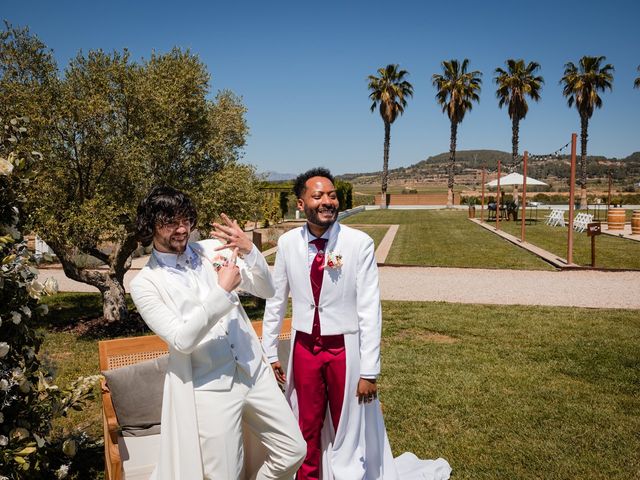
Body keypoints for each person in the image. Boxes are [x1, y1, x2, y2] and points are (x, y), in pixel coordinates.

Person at [261, 168, 451, 480]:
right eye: (318, 195)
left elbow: (369, 308)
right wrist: (270, 352)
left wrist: (369, 371)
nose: (327, 201)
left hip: (344, 348)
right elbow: (276, 300)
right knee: (304, 423)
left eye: (332, 195)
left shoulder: (358, 243)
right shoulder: (286, 244)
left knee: (349, 427)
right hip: (304, 347)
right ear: (300, 203)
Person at [130, 186, 305, 480]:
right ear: (150, 225)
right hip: (210, 388)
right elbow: (181, 340)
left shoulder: (212, 248)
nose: (182, 229)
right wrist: (222, 291)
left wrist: (250, 251)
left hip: (253, 372)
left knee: (293, 449)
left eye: (185, 220)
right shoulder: (145, 284)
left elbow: (266, 289)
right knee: (225, 473)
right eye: (170, 222)